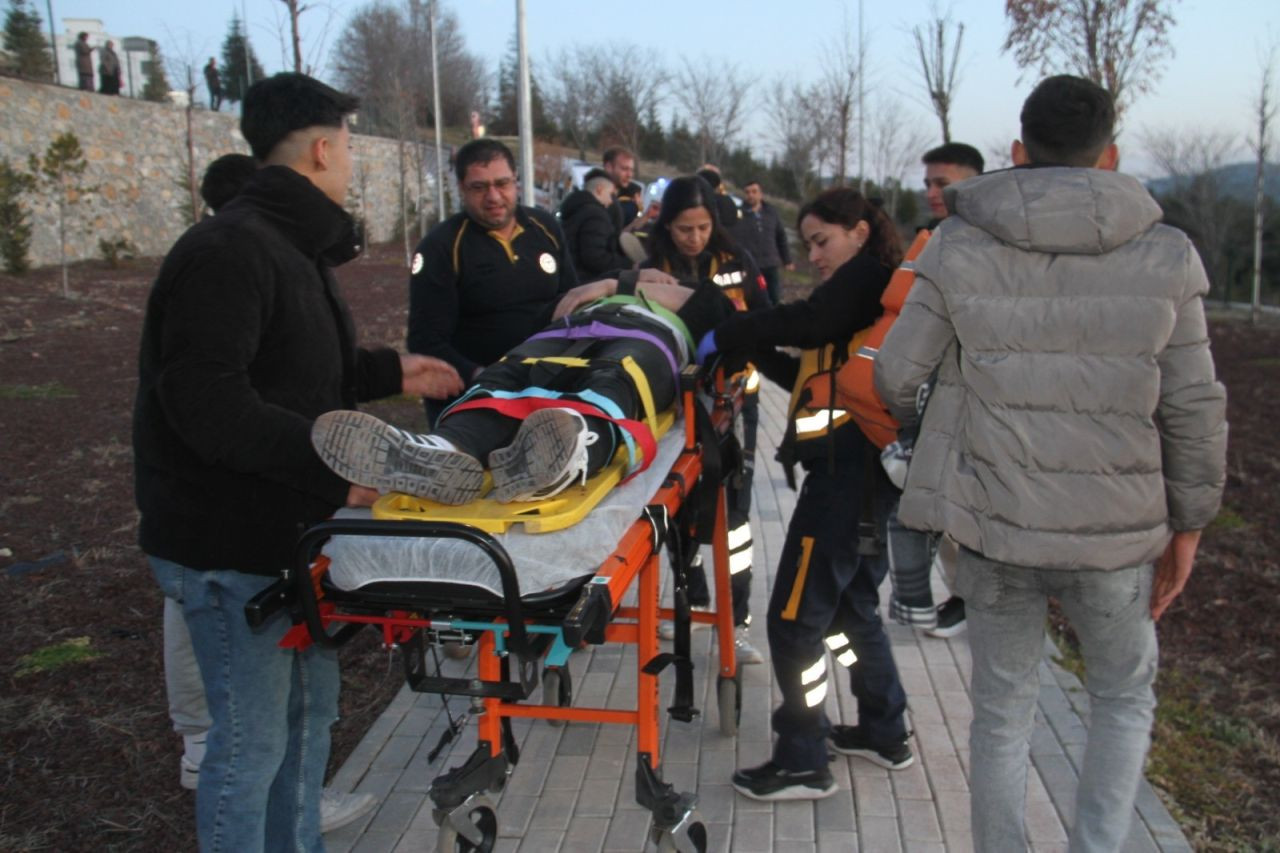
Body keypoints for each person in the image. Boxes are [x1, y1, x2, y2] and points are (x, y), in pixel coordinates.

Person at [875, 75, 1228, 851]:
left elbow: (896, 377)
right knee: (1123, 695)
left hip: (996, 525)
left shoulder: (958, 243)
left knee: (1003, 709)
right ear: (1111, 157)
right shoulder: (1168, 252)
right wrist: (1190, 523)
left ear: (1016, 151)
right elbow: (1194, 404)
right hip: (1118, 536)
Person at [133, 72, 464, 852]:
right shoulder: (227, 250)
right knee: (247, 748)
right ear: (322, 148)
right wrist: (340, 476)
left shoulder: (285, 244)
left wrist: (390, 371)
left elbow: (297, 367)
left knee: (308, 719)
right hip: (226, 547)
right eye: (348, 146)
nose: (349, 162)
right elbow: (209, 406)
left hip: (288, 539)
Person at [700, 187, 912, 800]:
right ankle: (884, 728)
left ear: (862, 232)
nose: (814, 255)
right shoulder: (868, 296)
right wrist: (752, 348)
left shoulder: (869, 277)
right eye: (809, 243)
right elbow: (814, 374)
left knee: (793, 620)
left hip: (847, 480)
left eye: (823, 241)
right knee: (851, 608)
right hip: (862, 476)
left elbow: (810, 321)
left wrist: (734, 327)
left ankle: (802, 756)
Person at [314, 272, 738, 505]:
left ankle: (565, 450)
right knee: (504, 380)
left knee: (613, 381)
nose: (655, 277)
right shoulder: (591, 293)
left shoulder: (681, 299)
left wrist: (618, 285)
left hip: (647, 337)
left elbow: (715, 304)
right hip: (567, 331)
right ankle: (442, 452)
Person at [642, 175, 769, 665]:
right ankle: (691, 595)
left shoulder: (737, 263)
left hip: (736, 404)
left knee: (734, 520)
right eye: (683, 229)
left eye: (702, 226)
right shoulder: (653, 269)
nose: (694, 237)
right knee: (677, 506)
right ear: (666, 225)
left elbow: (765, 316)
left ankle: (735, 623)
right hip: (676, 407)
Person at [408, 138, 578, 424]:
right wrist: (482, 377)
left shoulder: (545, 228)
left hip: (551, 389)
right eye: (479, 187)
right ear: (461, 188)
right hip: (477, 400)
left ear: (517, 182)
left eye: (502, 183)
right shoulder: (441, 247)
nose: (494, 197)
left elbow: (572, 298)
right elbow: (426, 340)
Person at [559, 167, 632, 278]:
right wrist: (628, 264)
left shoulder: (575, 208)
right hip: (583, 281)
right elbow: (595, 258)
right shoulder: (596, 216)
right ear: (599, 189)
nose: (611, 200)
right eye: (611, 194)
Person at [732, 179, 793, 306]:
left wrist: (787, 260)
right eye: (748, 192)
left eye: (754, 192)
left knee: (774, 297)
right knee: (754, 300)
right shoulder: (739, 214)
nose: (751, 195)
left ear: (760, 194)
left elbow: (780, 236)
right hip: (751, 266)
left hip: (770, 263)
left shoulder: (771, 212)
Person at [921, 141, 984, 228]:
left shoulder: (1000, 236)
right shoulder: (929, 236)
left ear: (973, 186)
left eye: (942, 184)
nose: (930, 194)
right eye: (928, 185)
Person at [602, 146, 639, 228]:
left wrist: (647, 216)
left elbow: (620, 233)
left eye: (631, 170)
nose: (630, 175)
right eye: (625, 169)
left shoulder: (628, 197)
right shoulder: (596, 197)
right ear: (609, 167)